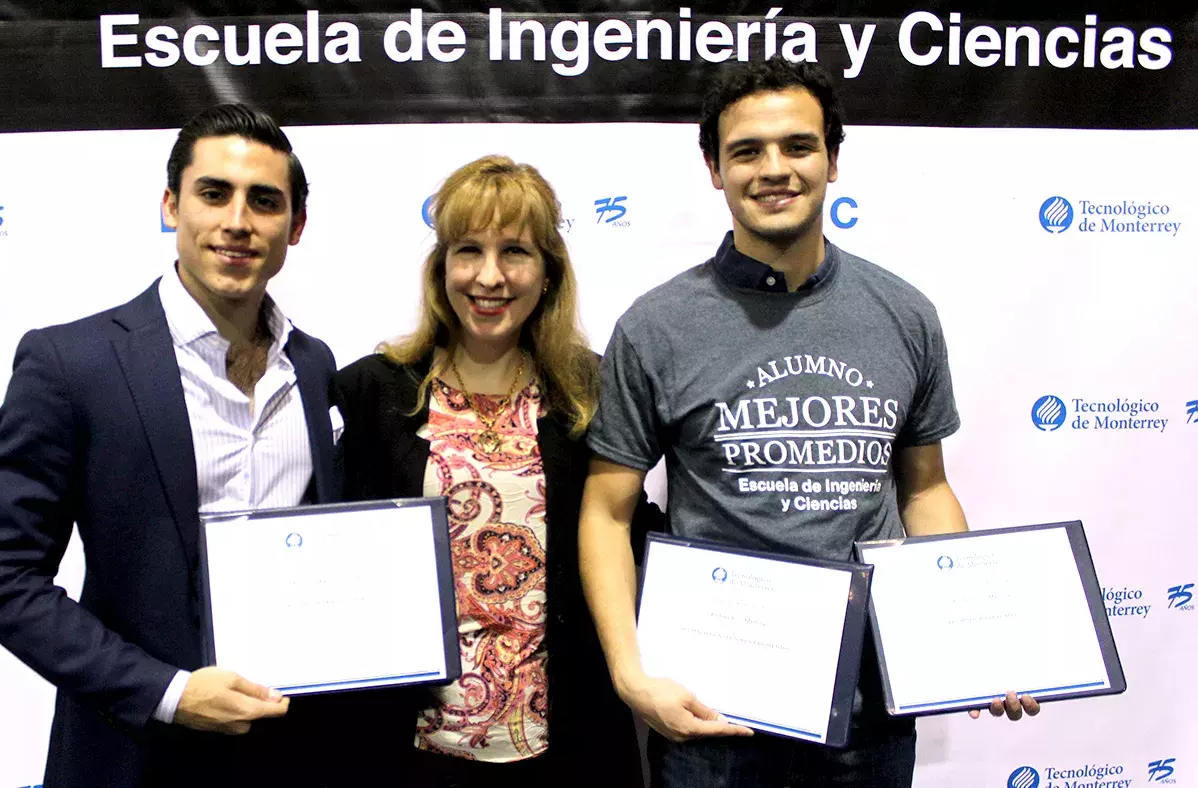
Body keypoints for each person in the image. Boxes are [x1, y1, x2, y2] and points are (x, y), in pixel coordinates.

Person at [578, 59, 1039, 788]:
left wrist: (964, 638)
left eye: (798, 146)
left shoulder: (905, 313)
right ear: (713, 169)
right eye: (746, 151)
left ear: (832, 160)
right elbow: (606, 514)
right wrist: (632, 675)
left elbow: (925, 491)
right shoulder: (655, 327)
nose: (774, 169)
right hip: (712, 715)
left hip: (871, 712)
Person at [0, 103, 341, 788]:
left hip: (291, 751)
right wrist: (168, 692)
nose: (237, 222)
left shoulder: (312, 368)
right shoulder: (71, 364)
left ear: (296, 227)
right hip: (132, 752)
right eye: (213, 193)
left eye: (264, 201)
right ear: (171, 205)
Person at [330, 155, 650, 788]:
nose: (490, 277)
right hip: (409, 747)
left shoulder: (592, 392)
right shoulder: (371, 392)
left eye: (516, 252)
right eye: (468, 250)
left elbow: (625, 533)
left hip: (565, 746)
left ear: (549, 271)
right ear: (440, 267)